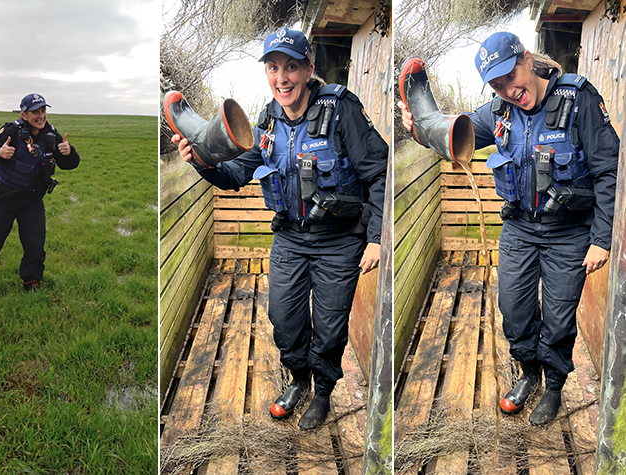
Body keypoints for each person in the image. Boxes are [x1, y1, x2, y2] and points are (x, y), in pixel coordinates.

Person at [172, 28, 388, 430]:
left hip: (339, 242)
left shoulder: (340, 109)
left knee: (329, 323)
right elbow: (237, 172)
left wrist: (375, 239)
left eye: (291, 67)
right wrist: (201, 164)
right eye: (273, 68)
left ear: (308, 69)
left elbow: (379, 171)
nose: (281, 77)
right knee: (284, 319)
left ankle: (322, 392)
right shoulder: (268, 118)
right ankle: (299, 380)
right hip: (289, 236)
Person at [399, 32, 618, 425]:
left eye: (510, 76)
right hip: (519, 229)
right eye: (497, 84)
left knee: (558, 317)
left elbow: (608, 172)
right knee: (514, 312)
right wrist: (417, 126)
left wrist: (602, 240)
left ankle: (552, 386)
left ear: (527, 59)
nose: (509, 90)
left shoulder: (578, 99)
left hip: (570, 233)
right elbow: (450, 135)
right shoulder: (497, 113)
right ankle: (529, 374)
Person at [0, 93, 80, 290]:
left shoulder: (51, 135)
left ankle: (31, 283)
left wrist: (69, 151)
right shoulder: (12, 131)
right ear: (24, 115)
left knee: (35, 244)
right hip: (3, 198)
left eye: (43, 111)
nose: (40, 116)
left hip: (32, 200)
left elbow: (69, 164)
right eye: (35, 112)